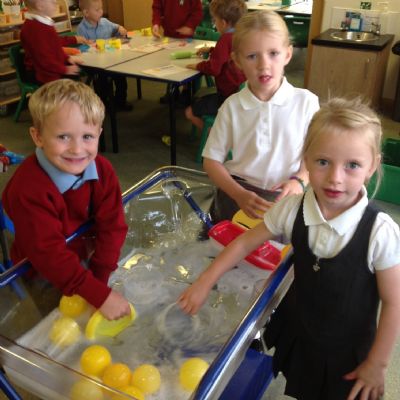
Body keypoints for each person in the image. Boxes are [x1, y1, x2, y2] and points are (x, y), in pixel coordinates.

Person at [178, 97, 400, 400]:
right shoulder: (293, 209)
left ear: (372, 165)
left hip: (348, 351)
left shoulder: (380, 231)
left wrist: (378, 363)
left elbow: (393, 302)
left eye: (352, 165)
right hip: (302, 331)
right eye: (323, 162)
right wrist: (205, 281)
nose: (335, 178)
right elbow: (244, 242)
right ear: (306, 159)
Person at [2, 79, 131, 321]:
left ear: (99, 134)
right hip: (43, 272)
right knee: (59, 322)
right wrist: (98, 294)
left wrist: (99, 280)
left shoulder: (102, 170)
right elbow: (47, 254)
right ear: (38, 137)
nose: (77, 149)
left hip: (87, 256)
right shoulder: (27, 189)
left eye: (87, 136)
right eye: (63, 137)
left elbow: (113, 225)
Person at [202, 10, 319, 222]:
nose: (263, 65)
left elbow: (317, 155)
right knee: (230, 240)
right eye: (252, 56)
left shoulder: (306, 103)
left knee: (281, 242)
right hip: (238, 194)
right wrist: (238, 194)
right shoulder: (232, 107)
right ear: (237, 61)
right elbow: (211, 161)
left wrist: (300, 180)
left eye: (273, 53)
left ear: (288, 54)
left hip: (287, 194)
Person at [185, 0, 247, 131]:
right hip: (240, 94)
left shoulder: (225, 39)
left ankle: (215, 138)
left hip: (227, 97)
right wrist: (212, 50)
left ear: (223, 23)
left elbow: (213, 69)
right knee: (200, 100)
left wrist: (198, 66)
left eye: (215, 20)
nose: (214, 23)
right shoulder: (240, 35)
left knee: (189, 112)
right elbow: (228, 55)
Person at [77, 0, 133, 111]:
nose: (101, 12)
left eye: (101, 8)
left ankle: (120, 101)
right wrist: (90, 46)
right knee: (102, 81)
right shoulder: (81, 28)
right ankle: (104, 104)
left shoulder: (105, 22)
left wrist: (120, 29)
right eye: (97, 10)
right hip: (95, 64)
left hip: (111, 60)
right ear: (86, 13)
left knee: (120, 76)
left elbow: (117, 28)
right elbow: (80, 49)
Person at [21, 0, 90, 84]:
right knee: (73, 81)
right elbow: (44, 60)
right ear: (40, 6)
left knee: (78, 71)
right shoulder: (35, 29)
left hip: (51, 66)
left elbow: (55, 45)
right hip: (41, 73)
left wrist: (67, 58)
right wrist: (65, 69)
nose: (56, 3)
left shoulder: (42, 22)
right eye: (52, 1)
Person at [152, 0, 203, 105]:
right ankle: (173, 89)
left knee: (185, 63)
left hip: (186, 36)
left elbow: (197, 12)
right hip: (169, 34)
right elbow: (157, 8)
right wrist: (156, 23)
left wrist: (190, 26)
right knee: (169, 62)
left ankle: (186, 91)